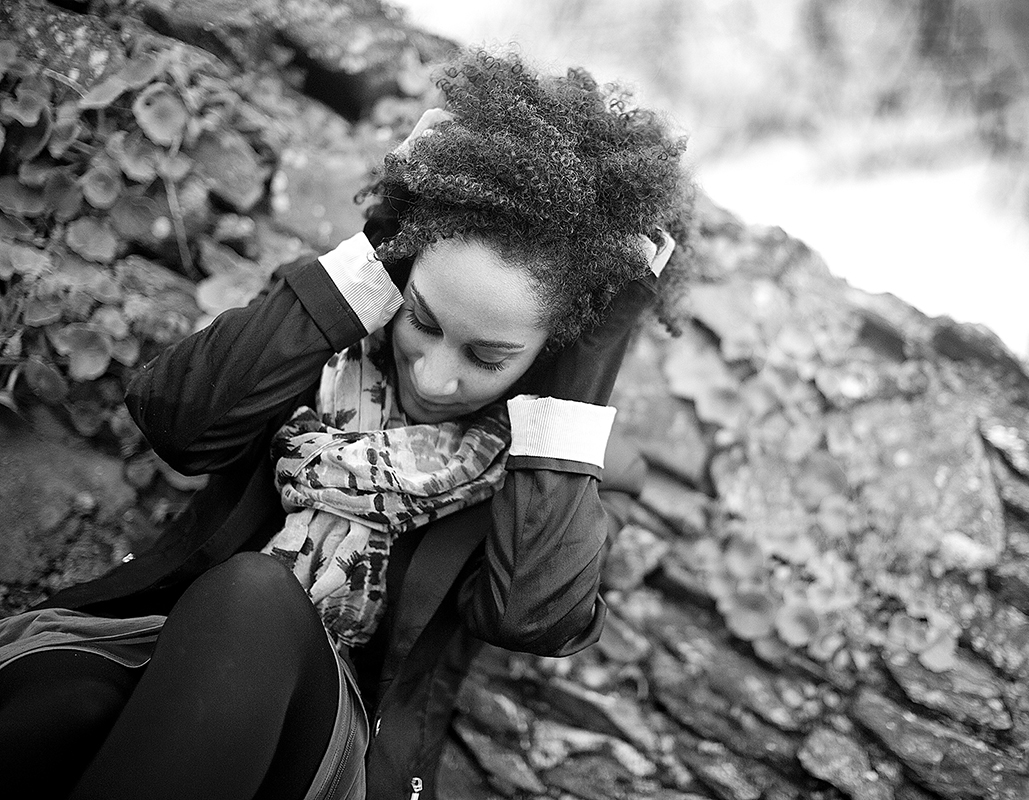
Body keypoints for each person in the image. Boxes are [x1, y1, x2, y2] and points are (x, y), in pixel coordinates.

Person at [0, 48, 693, 800]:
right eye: (423, 320)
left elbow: (532, 616)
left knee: (259, 595)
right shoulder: (324, 336)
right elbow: (179, 422)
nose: (432, 376)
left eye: (487, 357)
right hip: (168, 651)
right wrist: (390, 229)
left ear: (551, 351)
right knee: (61, 706)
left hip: (329, 738)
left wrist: (587, 362)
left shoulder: (572, 466)